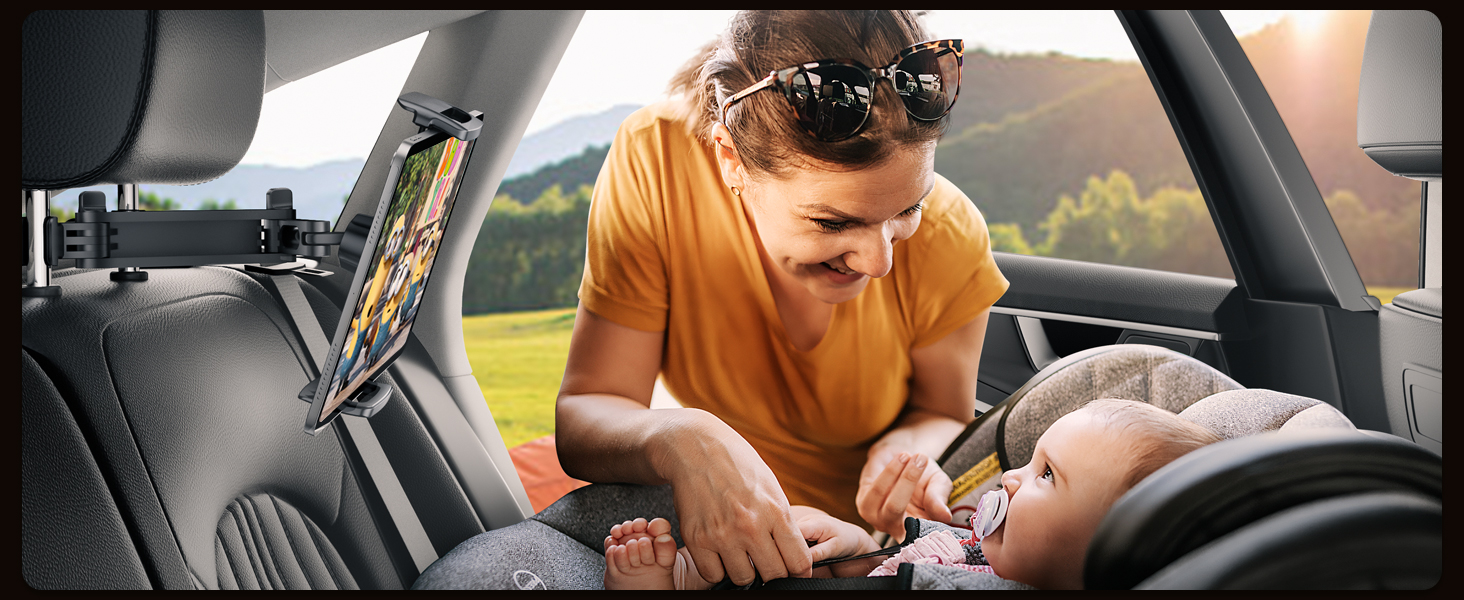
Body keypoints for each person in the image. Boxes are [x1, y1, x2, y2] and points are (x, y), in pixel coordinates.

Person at [555, 10, 1008, 587]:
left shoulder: (953, 234)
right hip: (694, 541)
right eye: (831, 221)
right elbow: (590, 408)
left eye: (908, 209)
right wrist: (686, 438)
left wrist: (907, 457)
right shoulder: (656, 161)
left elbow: (942, 413)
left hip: (852, 553)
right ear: (730, 159)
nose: (879, 262)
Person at [601, 399, 1223, 590]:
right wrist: (859, 547)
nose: (1009, 478)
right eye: (1031, 463)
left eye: (1046, 477)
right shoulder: (999, 546)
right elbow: (935, 547)